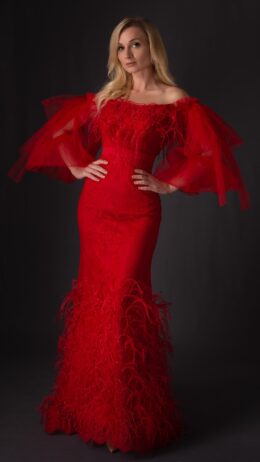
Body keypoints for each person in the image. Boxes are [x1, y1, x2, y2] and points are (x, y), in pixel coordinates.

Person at [7, 16, 250, 455]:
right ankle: (89, 409)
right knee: (95, 300)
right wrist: (81, 166)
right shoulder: (108, 96)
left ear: (151, 47)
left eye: (135, 45)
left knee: (123, 301)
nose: (127, 55)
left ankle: (126, 420)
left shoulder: (175, 100)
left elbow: (208, 152)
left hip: (138, 213)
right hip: (96, 208)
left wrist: (168, 184)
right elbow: (59, 133)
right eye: (121, 48)